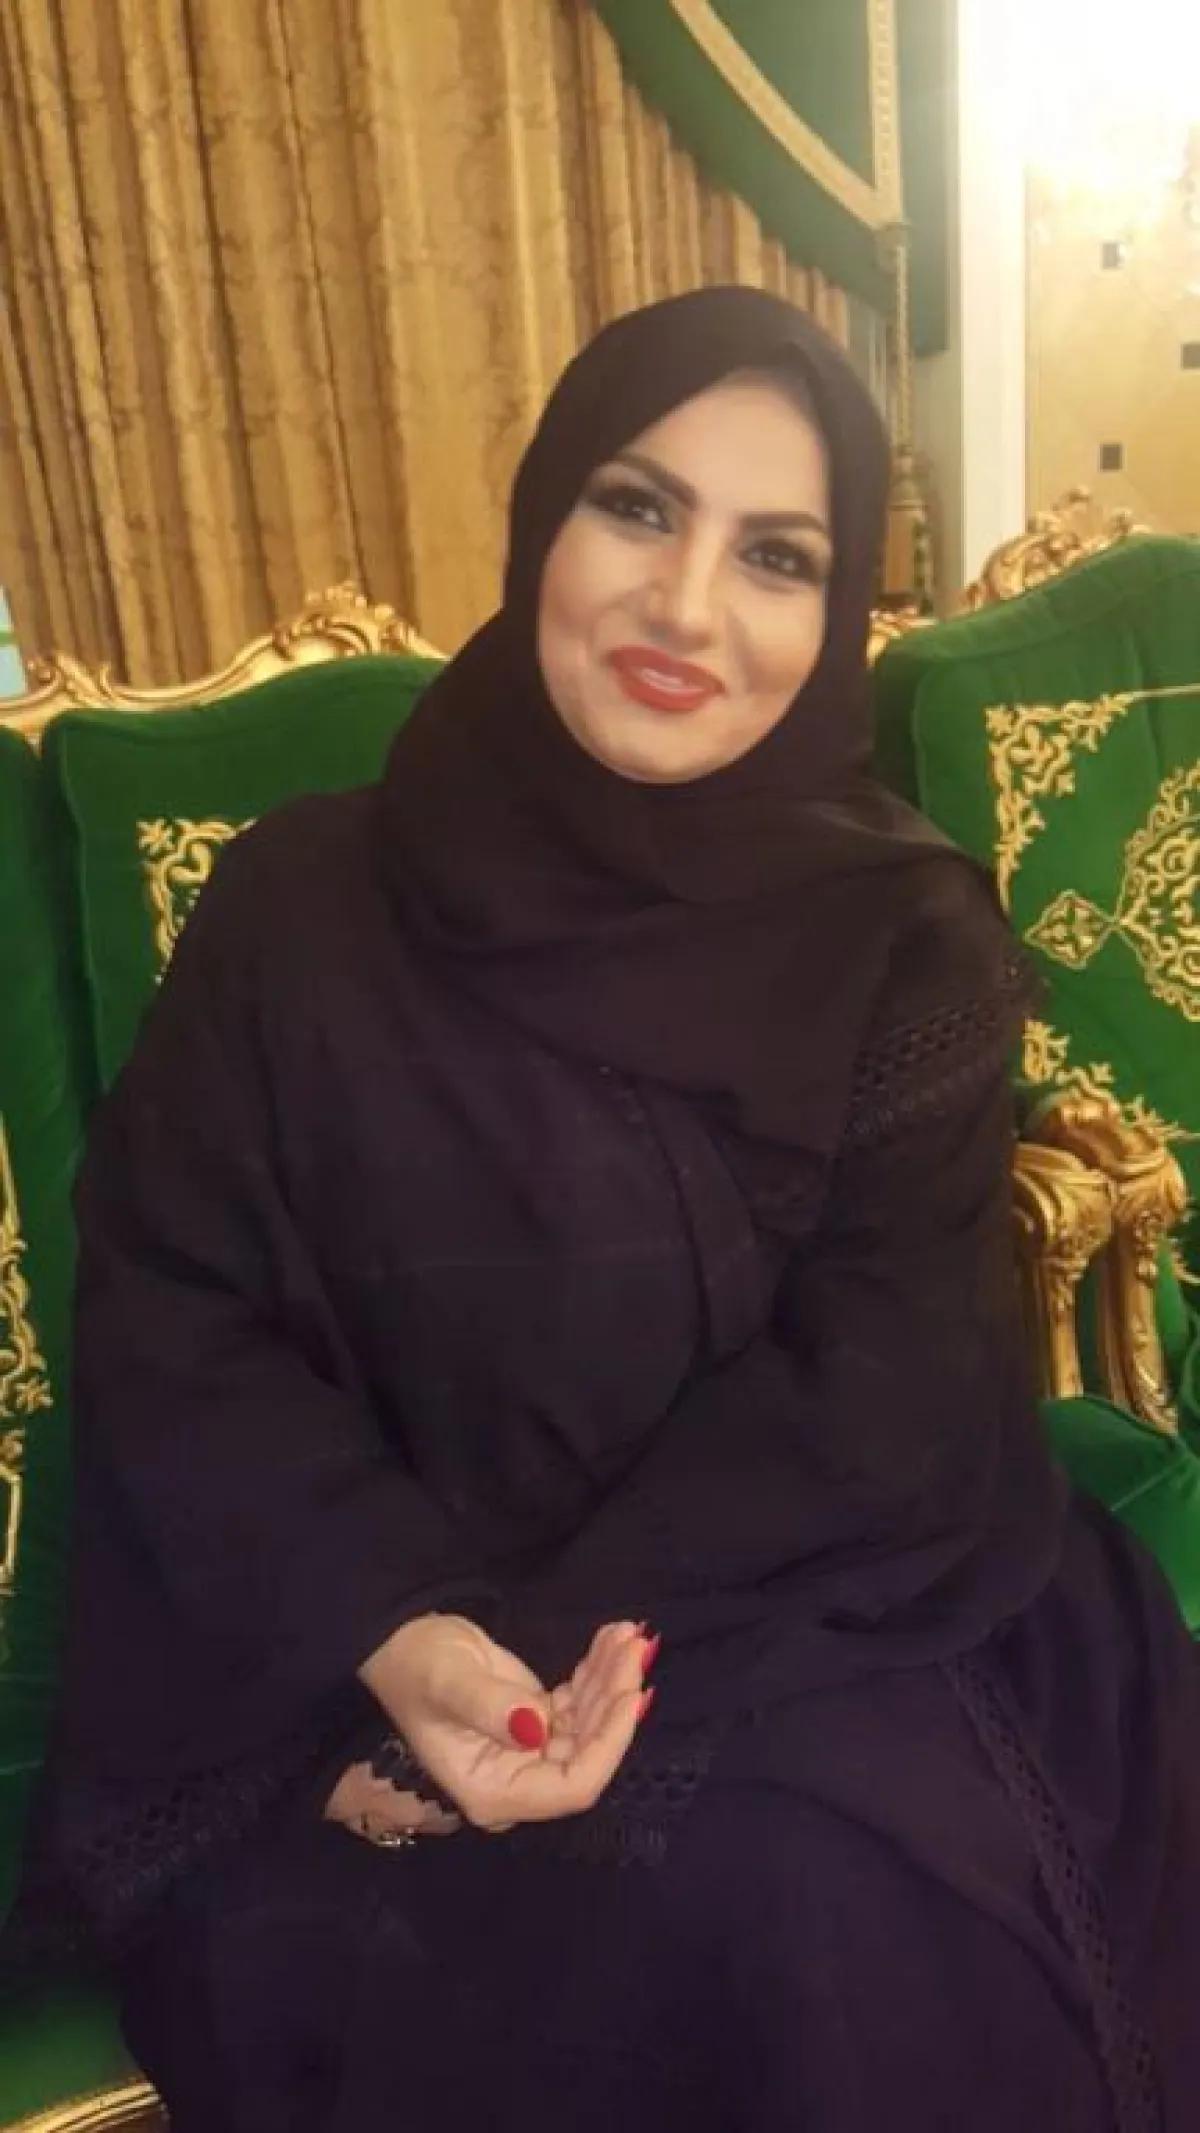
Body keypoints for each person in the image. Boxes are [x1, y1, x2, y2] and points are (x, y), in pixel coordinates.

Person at [19, 289, 1200, 2131]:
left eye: (778, 555)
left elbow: (877, 1394)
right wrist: (403, 1650)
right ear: (544, 516)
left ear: (833, 614)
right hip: (338, 1633)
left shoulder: (903, 940)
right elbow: (181, 1324)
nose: (689, 607)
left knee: (805, 1917)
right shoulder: (295, 913)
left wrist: (538, 1671)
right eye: (638, 507)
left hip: (795, 1605)